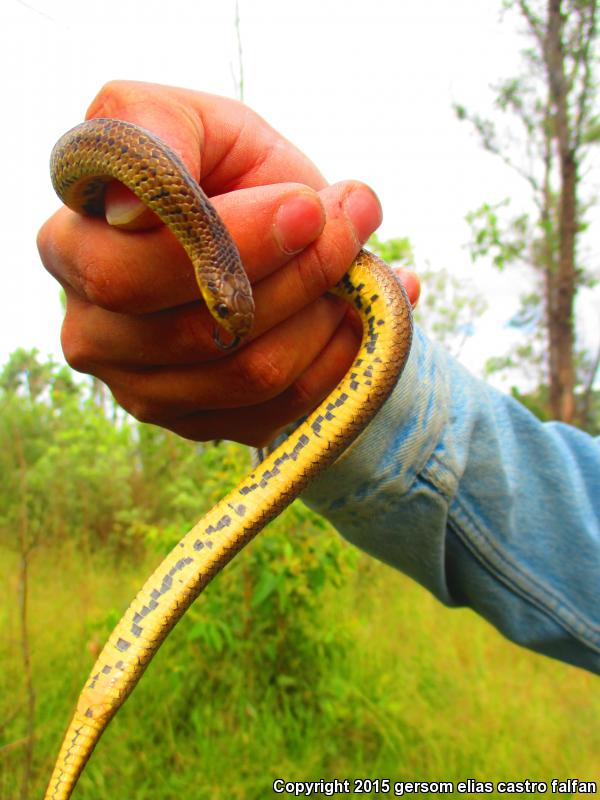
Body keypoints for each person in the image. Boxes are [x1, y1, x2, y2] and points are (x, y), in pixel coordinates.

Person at [38, 81, 600, 675]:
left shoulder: (213, 254)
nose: (226, 320)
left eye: (224, 312)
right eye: (226, 310)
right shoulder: (190, 216)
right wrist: (339, 367)